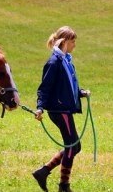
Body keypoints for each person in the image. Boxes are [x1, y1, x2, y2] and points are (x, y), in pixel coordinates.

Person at [32, 26, 90, 192]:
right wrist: (40, 107)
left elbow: (67, 86)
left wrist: (80, 93)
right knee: (72, 146)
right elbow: (45, 88)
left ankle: (43, 172)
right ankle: (63, 186)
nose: (74, 45)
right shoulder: (54, 62)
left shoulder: (66, 61)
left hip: (65, 109)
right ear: (64, 42)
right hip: (59, 111)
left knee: (75, 146)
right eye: (73, 41)